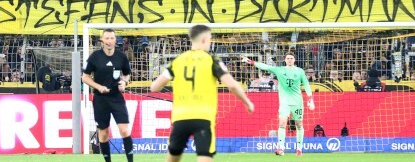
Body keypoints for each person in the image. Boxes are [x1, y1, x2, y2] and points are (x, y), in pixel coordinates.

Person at [149, 25, 254, 162]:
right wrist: (247, 102)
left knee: (173, 157)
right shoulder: (211, 59)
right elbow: (232, 85)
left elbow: (154, 87)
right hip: (203, 117)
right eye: (210, 39)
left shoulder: (178, 60)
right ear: (204, 39)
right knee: (205, 157)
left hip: (180, 117)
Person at [241, 52, 314, 155]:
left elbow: (306, 84)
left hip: (297, 102)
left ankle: (299, 149)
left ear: (294, 60)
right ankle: (281, 148)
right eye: (288, 58)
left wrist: (310, 98)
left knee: (299, 124)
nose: (289, 60)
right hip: (284, 102)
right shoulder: (280, 70)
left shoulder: (300, 71)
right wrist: (251, 61)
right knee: (282, 123)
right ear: (285, 60)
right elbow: (265, 67)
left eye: (291, 58)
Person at [82, 29, 134, 162]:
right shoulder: (95, 57)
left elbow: (127, 74)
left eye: (112, 38)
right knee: (104, 134)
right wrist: (99, 87)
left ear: (115, 40)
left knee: (124, 130)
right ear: (102, 41)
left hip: (116, 98)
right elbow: (85, 77)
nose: (109, 41)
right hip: (100, 99)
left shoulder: (121, 57)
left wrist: (124, 82)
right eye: (107, 38)